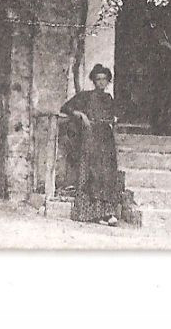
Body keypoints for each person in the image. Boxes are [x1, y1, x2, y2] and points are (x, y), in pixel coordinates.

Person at [59, 64, 127, 226]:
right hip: (90, 138)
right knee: (92, 173)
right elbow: (66, 107)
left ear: (108, 81)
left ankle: (106, 213)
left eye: (104, 79)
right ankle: (91, 213)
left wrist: (115, 119)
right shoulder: (85, 96)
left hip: (106, 138)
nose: (101, 82)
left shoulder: (108, 98)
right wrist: (81, 115)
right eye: (98, 79)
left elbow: (116, 114)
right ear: (93, 81)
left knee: (107, 174)